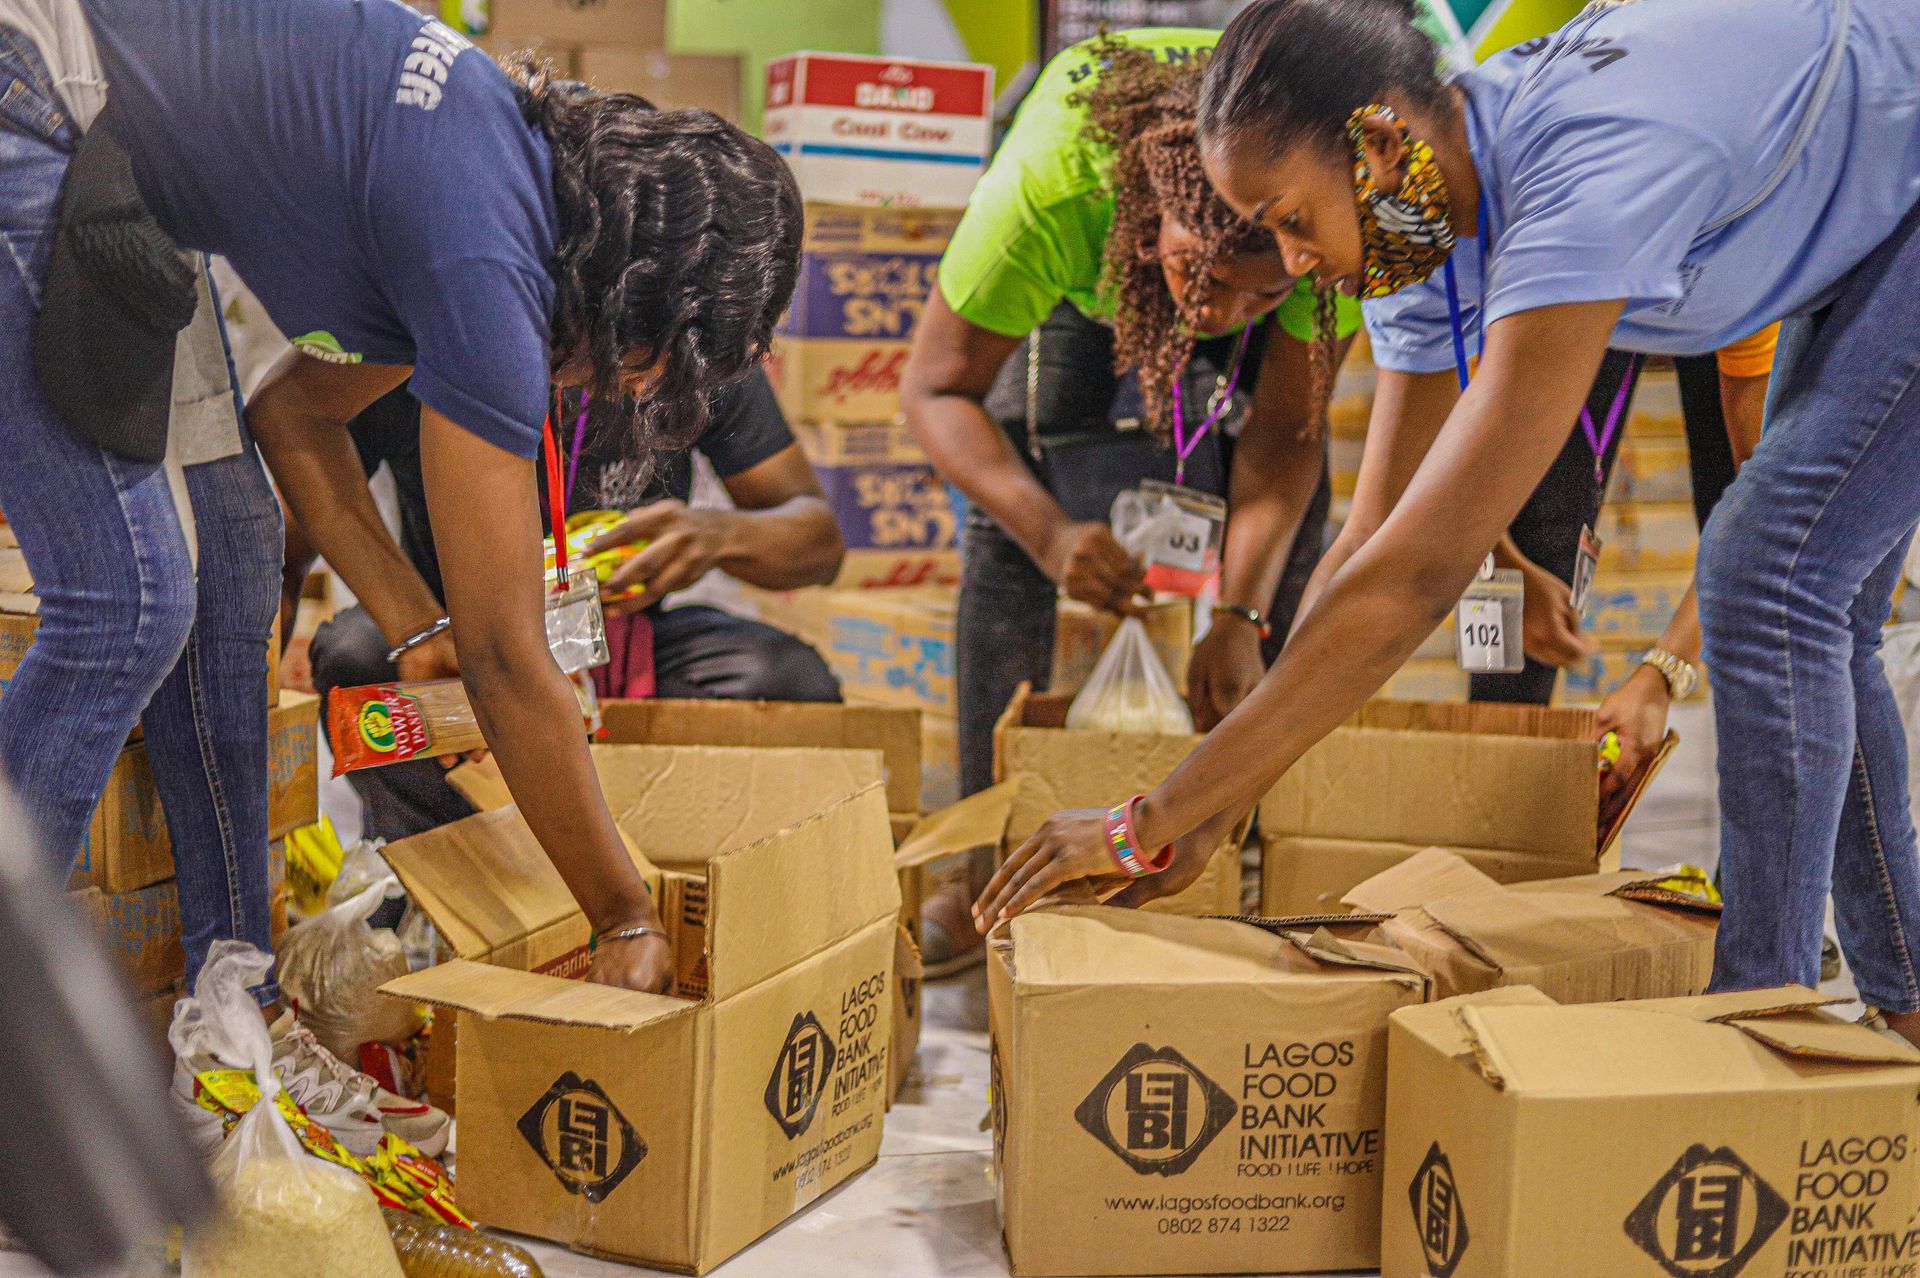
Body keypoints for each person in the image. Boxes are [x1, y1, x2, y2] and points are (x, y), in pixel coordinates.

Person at [980, 0, 1920, 1050]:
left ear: (1380, 142)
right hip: (1869, 227)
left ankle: (1754, 1029)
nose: (1290, 263)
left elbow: (1420, 577)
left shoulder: (1581, 171)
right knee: (1812, 607)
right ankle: (1906, 993)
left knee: (1766, 573)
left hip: (1902, 181)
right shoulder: (1415, 232)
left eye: (1292, 218)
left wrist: (1143, 825)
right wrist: (1211, 811)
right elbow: (1368, 544)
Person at [0, 0, 798, 1051]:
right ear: (628, 296)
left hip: (125, 170)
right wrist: (624, 912)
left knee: (235, 566)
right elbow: (512, 662)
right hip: (39, 95)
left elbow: (295, 417)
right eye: (638, 369)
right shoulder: (486, 258)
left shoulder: (499, 192)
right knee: (132, 598)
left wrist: (419, 634)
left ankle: (239, 1017)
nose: (610, 391)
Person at [901, 28, 1368, 974]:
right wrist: (1052, 535)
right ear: (1160, 219)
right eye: (1199, 273)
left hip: (1237, 242)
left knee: (1289, 546)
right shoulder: (1052, 198)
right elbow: (934, 391)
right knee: (1014, 504)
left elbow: (1287, 435)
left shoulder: (1325, 234)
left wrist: (1238, 612)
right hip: (1094, 271)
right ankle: (989, 857)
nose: (1213, 312)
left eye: (1253, 294)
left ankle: (1245, 836)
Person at [297, 371, 845, 844]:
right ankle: (441, 875)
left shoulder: (692, 333)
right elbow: (300, 483)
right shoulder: (428, 345)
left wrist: (720, 536)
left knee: (791, 681)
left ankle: (670, 856)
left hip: (621, 649)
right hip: (456, 659)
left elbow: (819, 544)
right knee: (360, 658)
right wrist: (410, 624)